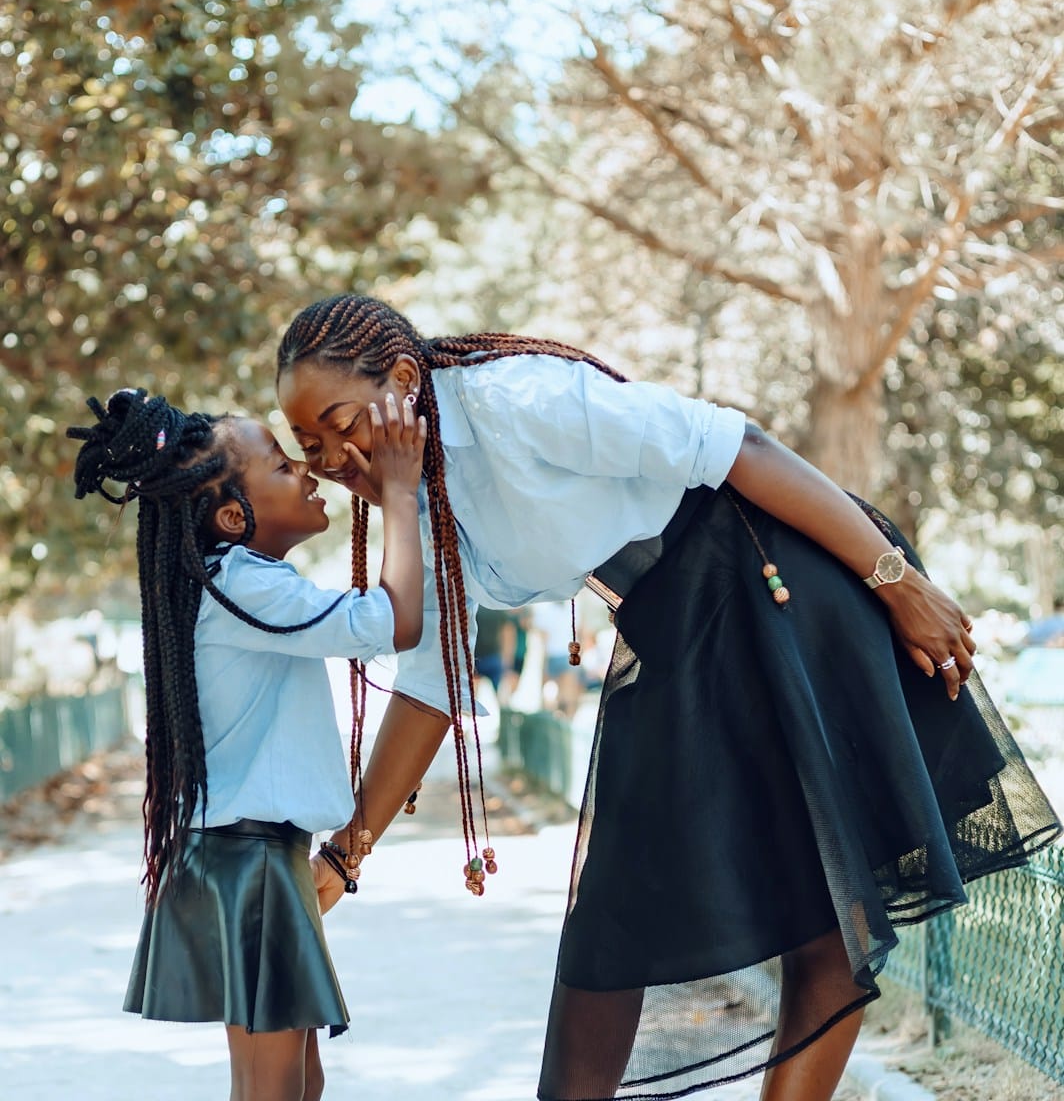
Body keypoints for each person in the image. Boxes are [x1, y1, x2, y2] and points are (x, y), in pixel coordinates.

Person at [274, 294, 1061, 1101]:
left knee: (830, 920)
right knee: (610, 933)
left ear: (404, 380)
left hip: (776, 583)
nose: (335, 455)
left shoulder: (518, 400)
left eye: (342, 422)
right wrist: (345, 854)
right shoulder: (419, 501)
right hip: (675, 629)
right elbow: (432, 684)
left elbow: (739, 446)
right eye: (308, 444)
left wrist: (897, 583)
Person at [67, 385, 426, 1101]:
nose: (308, 471)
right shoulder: (246, 589)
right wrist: (399, 493)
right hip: (251, 861)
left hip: (254, 857)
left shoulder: (236, 585)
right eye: (284, 465)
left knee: (297, 1083)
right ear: (235, 517)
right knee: (274, 1090)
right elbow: (398, 620)